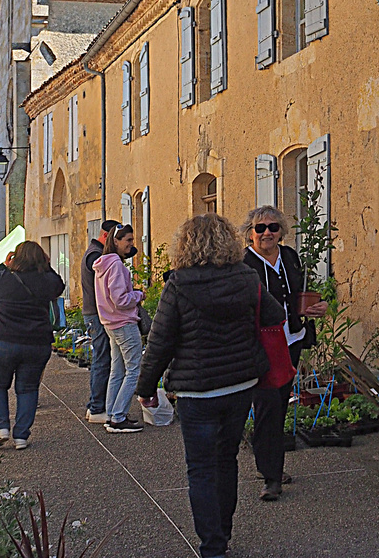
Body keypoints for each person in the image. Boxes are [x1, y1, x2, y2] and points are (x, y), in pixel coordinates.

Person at [137, 213, 285, 558]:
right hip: (240, 383)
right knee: (226, 459)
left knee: (201, 468)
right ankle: (225, 531)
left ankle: (213, 546)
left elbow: (160, 342)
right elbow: (275, 315)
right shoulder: (246, 278)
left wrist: (146, 386)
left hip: (197, 389)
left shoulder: (179, 284)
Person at [241, 206, 328, 500]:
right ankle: (271, 476)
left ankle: (272, 465)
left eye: (273, 227)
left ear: (282, 232)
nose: (267, 233)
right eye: (260, 228)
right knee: (267, 407)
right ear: (250, 233)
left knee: (280, 404)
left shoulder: (289, 257)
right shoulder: (243, 265)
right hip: (262, 347)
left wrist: (318, 305)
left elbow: (303, 290)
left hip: (292, 340)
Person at [0, 240, 64, 449]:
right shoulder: (46, 280)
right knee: (28, 389)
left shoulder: (4, 279)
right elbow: (59, 285)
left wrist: (4, 265)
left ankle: (1, 428)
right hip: (36, 344)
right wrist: (45, 265)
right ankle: (21, 436)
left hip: (2, 343)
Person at [93, 224, 145, 433]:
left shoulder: (103, 264)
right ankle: (118, 416)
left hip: (110, 323)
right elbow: (120, 299)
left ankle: (112, 413)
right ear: (116, 241)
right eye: (128, 240)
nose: (131, 244)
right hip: (123, 322)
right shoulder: (115, 265)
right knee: (134, 369)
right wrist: (139, 295)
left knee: (118, 370)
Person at [81, 220, 118, 423]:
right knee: (102, 359)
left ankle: (94, 405)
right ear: (106, 236)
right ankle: (97, 407)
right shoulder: (95, 255)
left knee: (101, 358)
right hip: (97, 313)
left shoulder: (94, 252)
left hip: (93, 312)